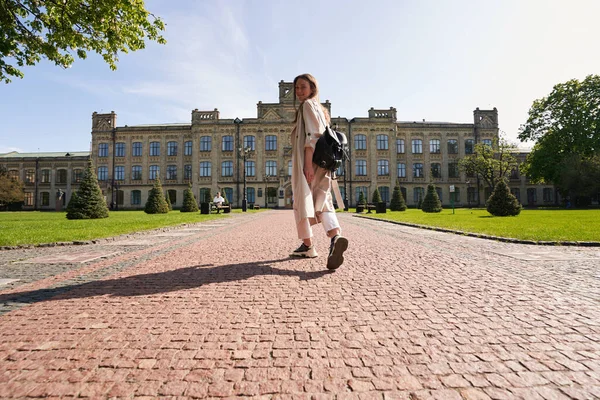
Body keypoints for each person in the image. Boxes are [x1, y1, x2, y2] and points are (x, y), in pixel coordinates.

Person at [289, 73, 349, 270]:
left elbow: (311, 137)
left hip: (311, 161)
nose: (299, 91)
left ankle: (313, 244)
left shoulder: (307, 105)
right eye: (296, 88)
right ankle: (329, 238)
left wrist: (307, 165)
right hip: (325, 162)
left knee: (302, 201)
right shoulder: (321, 109)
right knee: (323, 200)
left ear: (312, 88)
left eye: (303, 87)